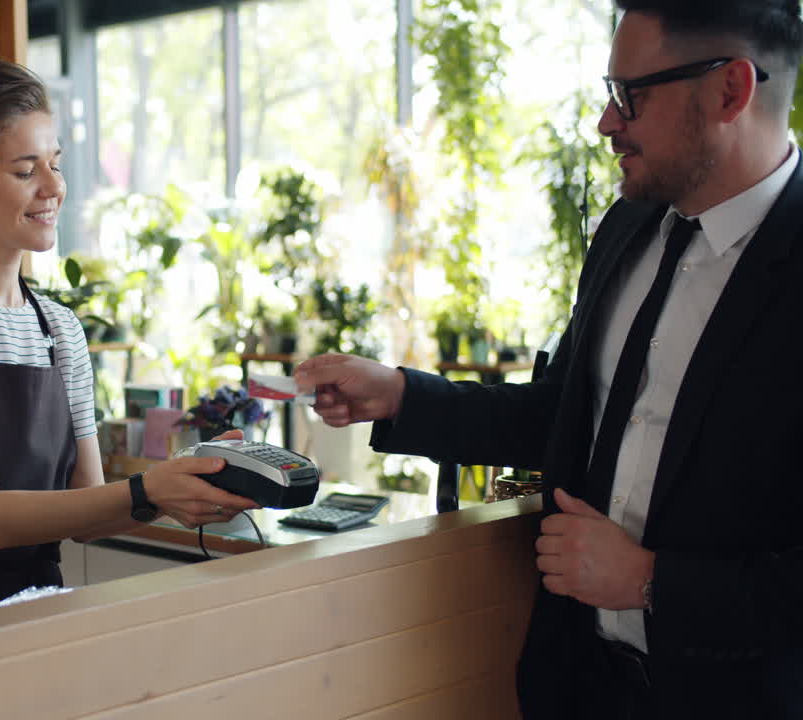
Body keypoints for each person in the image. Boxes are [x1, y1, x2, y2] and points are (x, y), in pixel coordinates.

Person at [294, 2, 803, 717]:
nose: (606, 122)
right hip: (580, 687)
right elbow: (568, 414)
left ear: (730, 90)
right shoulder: (628, 228)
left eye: (632, 94)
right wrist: (402, 395)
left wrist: (652, 583)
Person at [0, 60, 257, 627]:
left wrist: (183, 484)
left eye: (55, 163)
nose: (54, 188)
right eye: (26, 171)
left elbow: (88, 508)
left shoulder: (59, 329)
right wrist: (148, 489)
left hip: (35, 616)